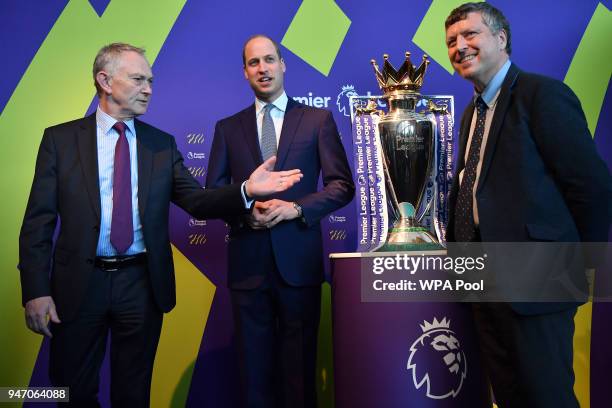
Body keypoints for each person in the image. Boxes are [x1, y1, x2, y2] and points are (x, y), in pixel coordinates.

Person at [18, 42, 303, 407]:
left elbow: (197, 200)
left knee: (134, 393)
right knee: (73, 390)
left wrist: (246, 188)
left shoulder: (160, 145)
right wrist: (36, 291)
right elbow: (38, 222)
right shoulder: (60, 140)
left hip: (141, 285)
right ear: (105, 81)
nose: (149, 88)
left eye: (150, 80)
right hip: (77, 285)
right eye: (138, 79)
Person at [444, 3, 611, 407]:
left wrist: (577, 265)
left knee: (546, 394)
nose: (459, 46)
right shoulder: (471, 114)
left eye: (470, 35)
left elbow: (592, 188)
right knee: (509, 395)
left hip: (538, 282)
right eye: (451, 41)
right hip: (482, 280)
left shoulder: (543, 94)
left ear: (501, 39)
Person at [206, 35, 354, 407]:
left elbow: (342, 186)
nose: (263, 68)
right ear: (244, 72)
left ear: (283, 64)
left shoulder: (318, 120)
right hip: (248, 266)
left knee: (300, 374)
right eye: (254, 63)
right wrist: (245, 212)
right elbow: (213, 193)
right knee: (253, 376)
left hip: (299, 266)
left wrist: (297, 208)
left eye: (269, 60)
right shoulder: (228, 128)